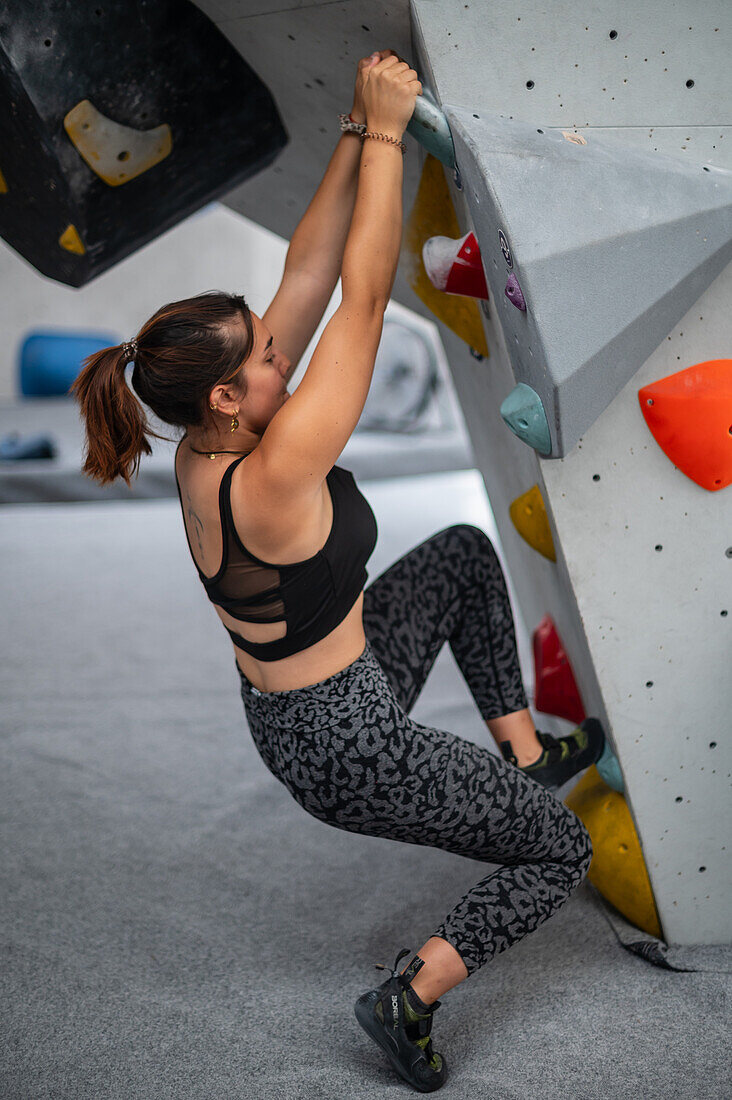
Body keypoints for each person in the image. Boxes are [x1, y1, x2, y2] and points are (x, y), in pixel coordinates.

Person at [72, 50, 604, 1094]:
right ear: (230, 398)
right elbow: (360, 300)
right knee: (556, 853)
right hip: (347, 747)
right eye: (264, 358)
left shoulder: (200, 436)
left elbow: (311, 274)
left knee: (459, 554)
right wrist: (395, 137)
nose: (280, 353)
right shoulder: (273, 475)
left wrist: (361, 126)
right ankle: (412, 993)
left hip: (305, 706)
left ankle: (521, 748)